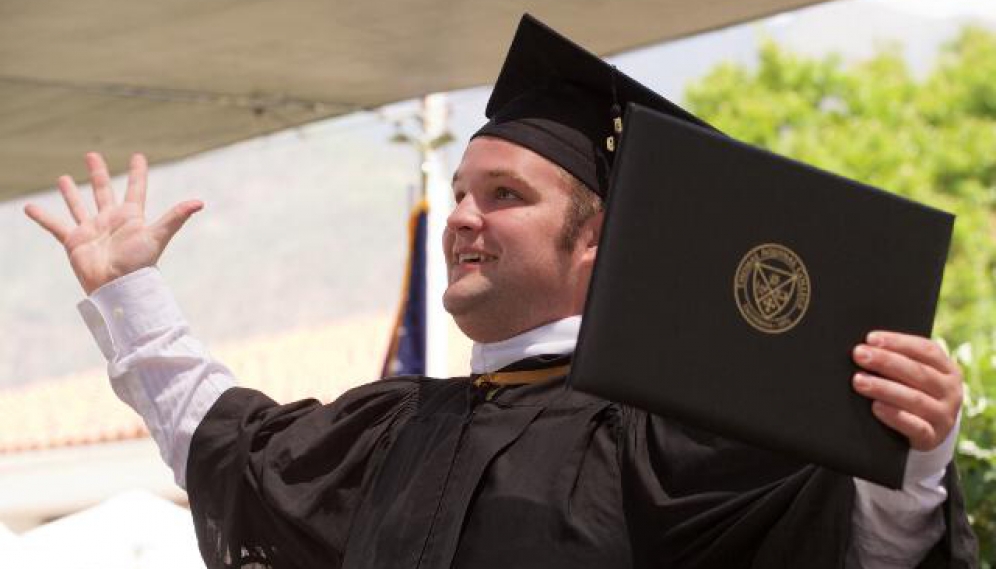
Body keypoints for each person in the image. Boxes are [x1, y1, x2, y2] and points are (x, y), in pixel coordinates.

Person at [25, 14, 976, 569]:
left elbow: (854, 552)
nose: (462, 219)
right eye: (460, 193)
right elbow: (231, 446)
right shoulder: (395, 430)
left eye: (505, 196)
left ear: (597, 237)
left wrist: (917, 458)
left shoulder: (669, 442)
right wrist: (128, 291)